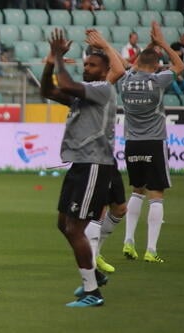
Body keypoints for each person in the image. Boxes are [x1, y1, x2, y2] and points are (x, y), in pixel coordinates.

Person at [40, 28, 124, 307]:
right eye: (86, 64)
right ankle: (94, 275)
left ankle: (92, 292)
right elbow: (48, 90)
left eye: (92, 65)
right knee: (63, 224)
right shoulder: (83, 95)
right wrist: (51, 60)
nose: (87, 68)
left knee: (75, 228)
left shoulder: (102, 89)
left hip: (94, 164)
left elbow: (64, 83)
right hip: (80, 163)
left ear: (104, 71)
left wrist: (60, 59)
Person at [120, 22, 184, 264]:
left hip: (131, 143)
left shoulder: (125, 80)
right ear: (157, 66)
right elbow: (180, 65)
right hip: (154, 142)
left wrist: (150, 47)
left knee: (137, 190)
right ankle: (151, 249)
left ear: (137, 62)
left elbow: (137, 65)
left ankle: (128, 240)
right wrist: (162, 43)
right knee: (156, 195)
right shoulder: (158, 81)